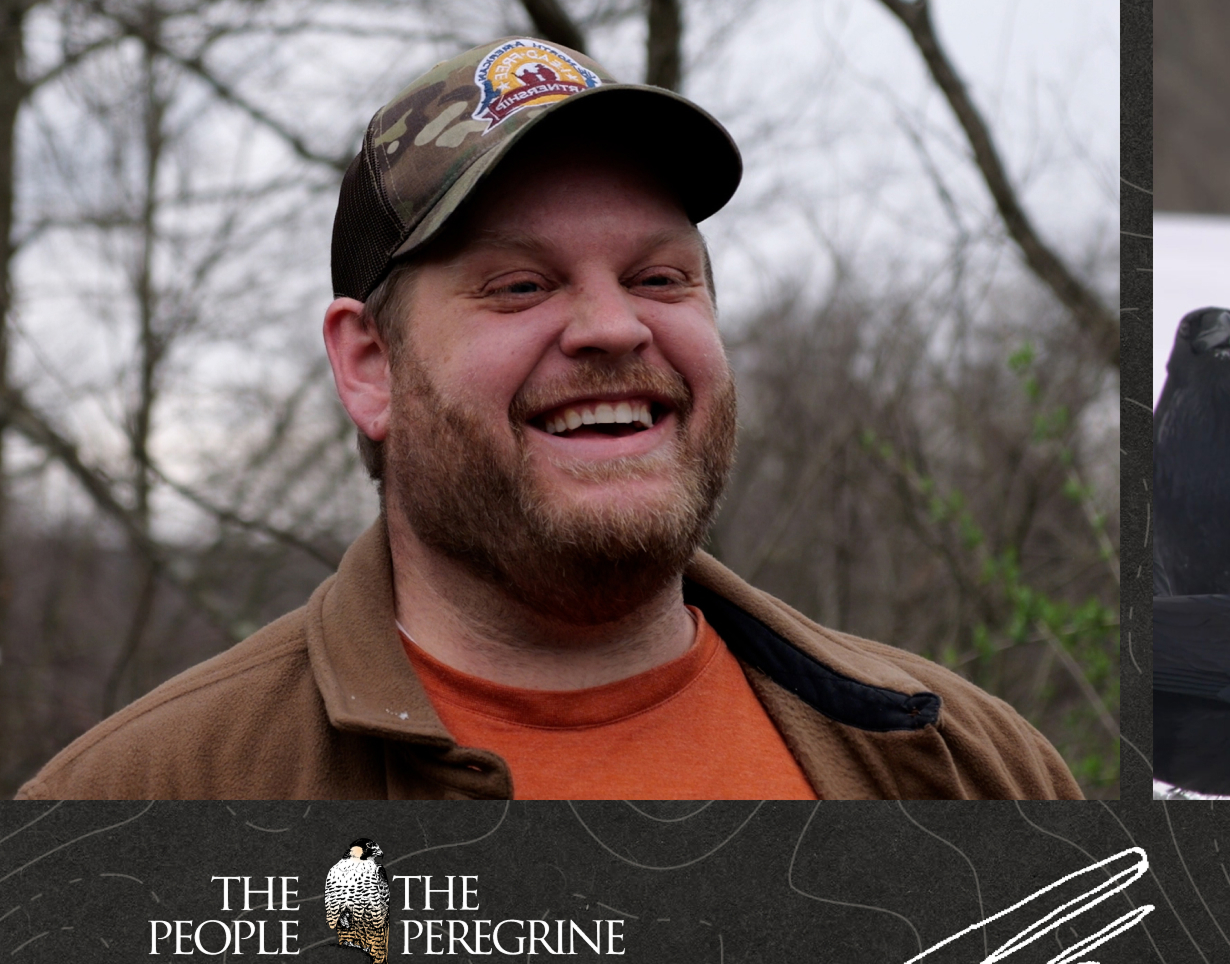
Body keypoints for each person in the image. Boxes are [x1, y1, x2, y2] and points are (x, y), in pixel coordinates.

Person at [16, 38, 1083, 800]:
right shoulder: (141, 812)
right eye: (520, 287)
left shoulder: (965, 769)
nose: (614, 328)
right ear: (369, 365)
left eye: (661, 277)